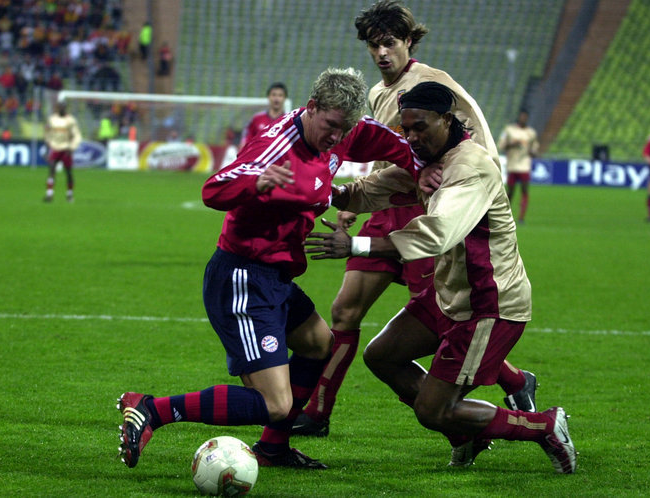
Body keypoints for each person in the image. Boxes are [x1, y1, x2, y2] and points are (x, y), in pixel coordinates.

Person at [117, 67, 427, 470]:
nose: (337, 137)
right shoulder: (275, 145)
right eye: (331, 126)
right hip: (243, 277)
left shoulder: (344, 128)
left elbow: (399, 144)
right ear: (312, 107)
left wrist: (428, 169)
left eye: (344, 130)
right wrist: (256, 182)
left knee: (319, 342)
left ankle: (273, 450)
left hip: (276, 277)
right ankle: (151, 410)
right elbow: (213, 189)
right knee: (276, 404)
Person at [305, 82, 577, 474]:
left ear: (446, 120)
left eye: (420, 128)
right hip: (449, 293)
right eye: (406, 129)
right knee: (382, 357)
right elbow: (372, 190)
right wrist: (315, 191)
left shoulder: (470, 168)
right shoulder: (428, 159)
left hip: (489, 303)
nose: (412, 138)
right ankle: (465, 432)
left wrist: (357, 246)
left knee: (432, 411)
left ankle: (543, 425)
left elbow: (436, 234)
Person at [293, 0, 536, 438]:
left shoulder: (433, 85)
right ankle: (318, 411)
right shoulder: (377, 93)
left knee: (446, 318)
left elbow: (480, 147)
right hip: (391, 209)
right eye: (373, 45)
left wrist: (460, 188)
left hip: (432, 219)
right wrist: (351, 202)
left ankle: (508, 386)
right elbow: (393, 159)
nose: (381, 53)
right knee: (345, 309)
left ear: (408, 41)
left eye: (389, 43)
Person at [497, 109, 538, 224]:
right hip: (512, 165)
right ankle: (506, 216)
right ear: (519, 117)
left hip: (524, 165)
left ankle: (521, 218)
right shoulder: (509, 130)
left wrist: (532, 151)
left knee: (524, 190)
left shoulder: (531, 133)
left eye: (525, 117)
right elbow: (501, 145)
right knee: (510, 192)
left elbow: (534, 148)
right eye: (522, 117)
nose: (523, 119)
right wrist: (512, 144)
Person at [43, 102, 81, 203]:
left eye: (62, 107)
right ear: (57, 108)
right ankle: (49, 194)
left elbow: (76, 135)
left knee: (68, 172)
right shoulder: (52, 119)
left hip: (66, 148)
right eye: (59, 107)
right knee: (51, 170)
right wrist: (47, 149)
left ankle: (69, 194)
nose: (61, 109)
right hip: (55, 147)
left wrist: (72, 147)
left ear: (65, 108)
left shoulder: (70, 120)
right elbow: (47, 134)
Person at [238, 82, 288, 150]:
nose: (276, 99)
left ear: (284, 98)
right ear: (268, 97)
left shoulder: (288, 120)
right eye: (273, 95)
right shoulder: (257, 119)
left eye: (280, 95)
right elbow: (246, 141)